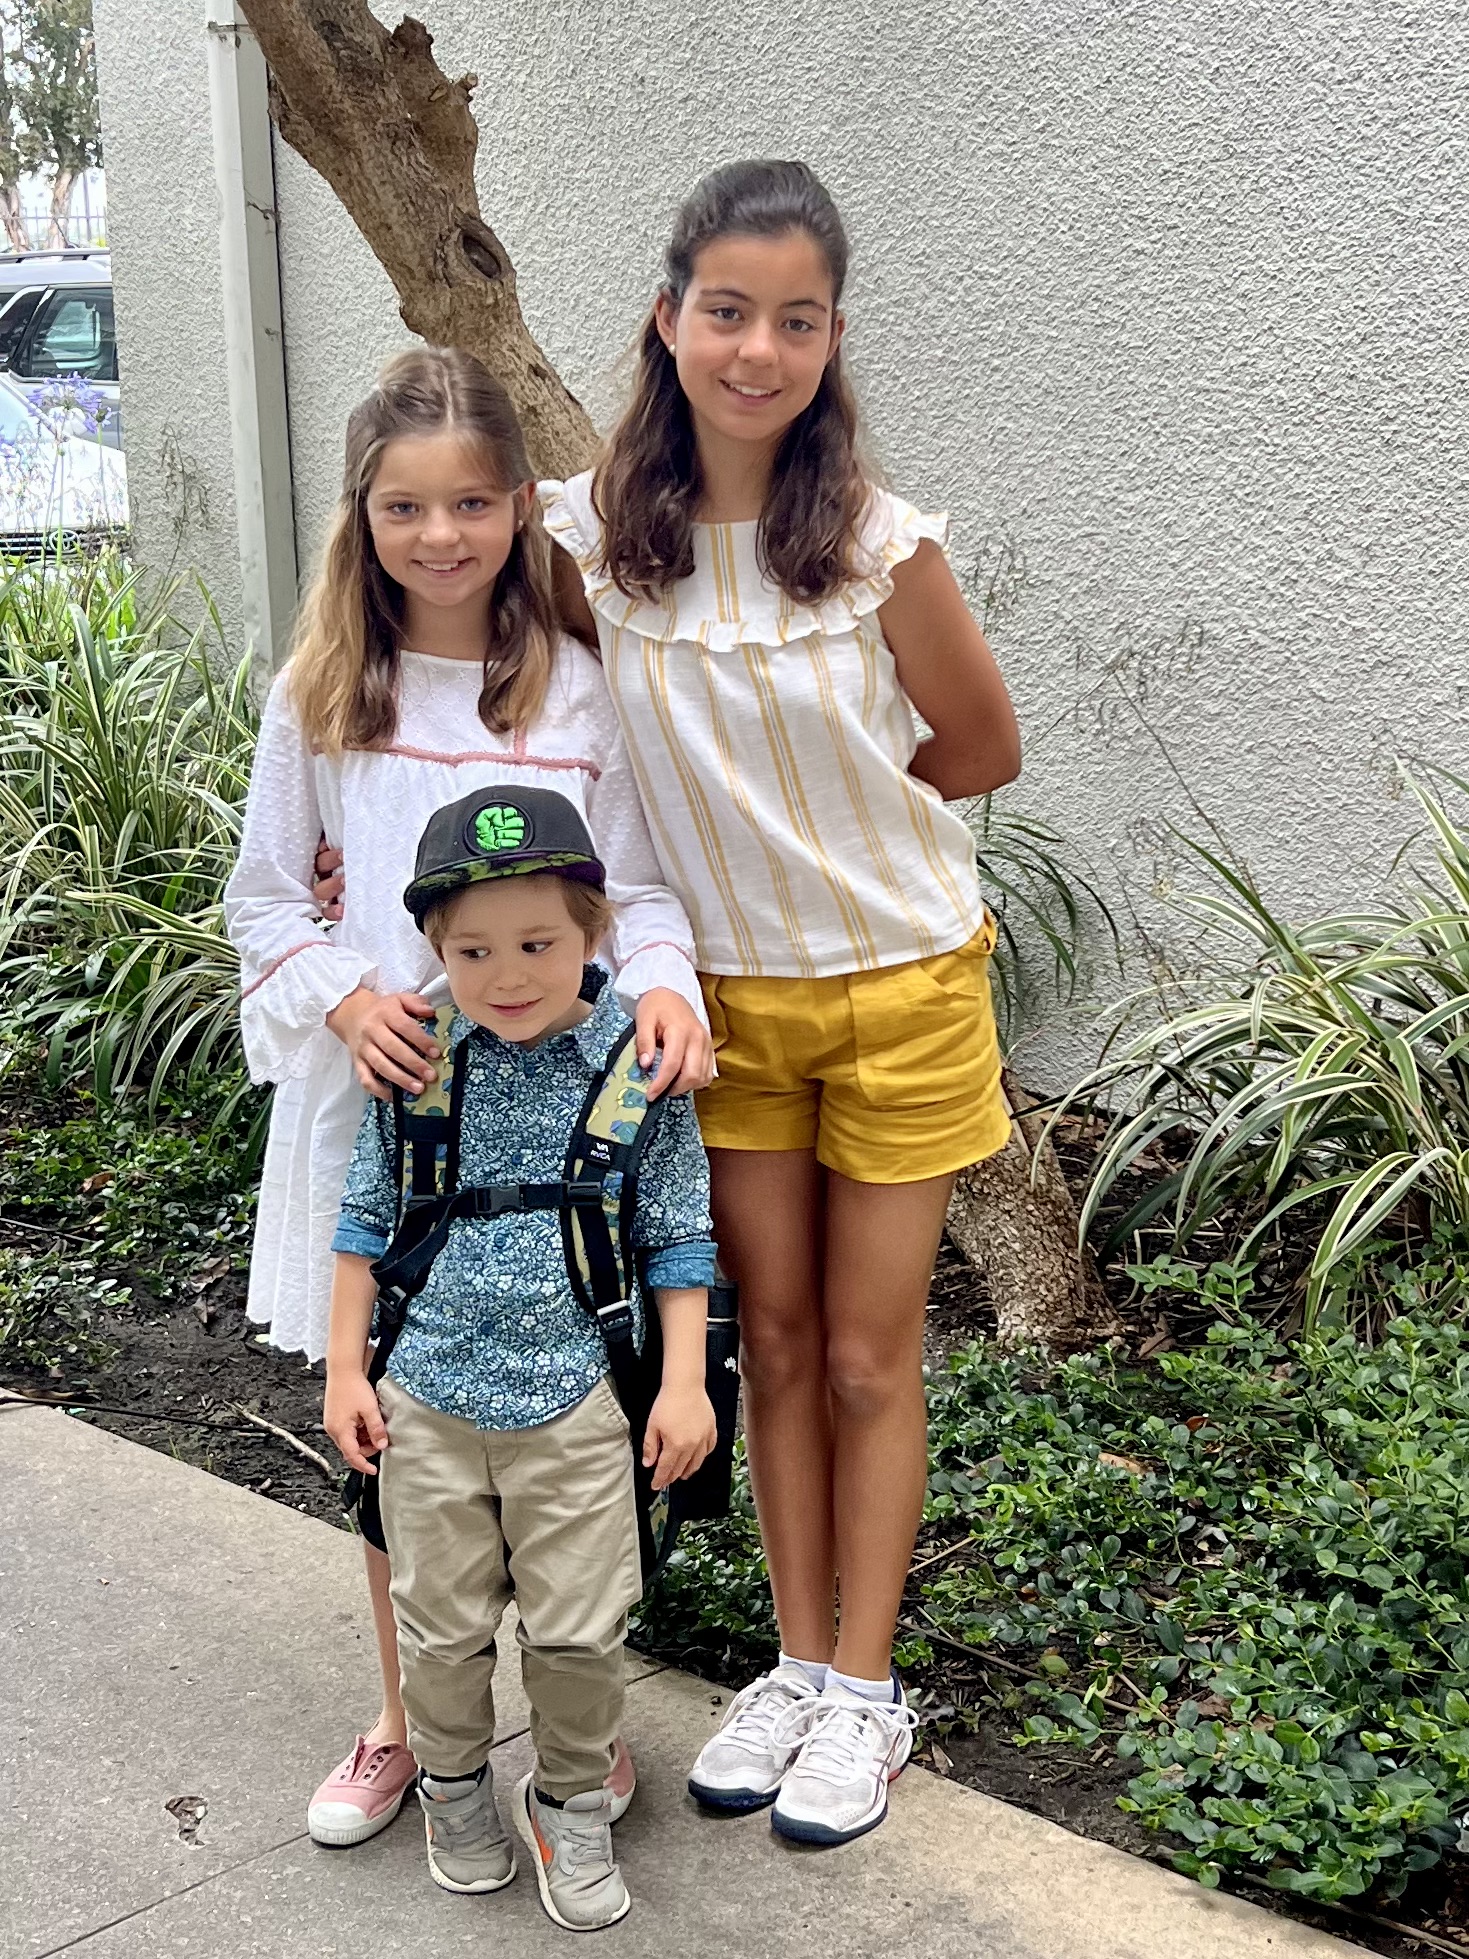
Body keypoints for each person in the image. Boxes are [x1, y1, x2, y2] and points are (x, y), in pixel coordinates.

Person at [541, 158, 1022, 1848]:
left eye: (796, 320)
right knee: (780, 1342)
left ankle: (865, 1689)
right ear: (667, 318)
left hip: (897, 989)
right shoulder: (590, 543)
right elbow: (494, 699)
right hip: (723, 1010)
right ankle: (795, 1662)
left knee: (873, 1354)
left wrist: (836, 831)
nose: (758, 349)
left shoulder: (881, 548)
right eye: (727, 311)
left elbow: (981, 746)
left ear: (829, 338)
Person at [223, 347, 712, 1851]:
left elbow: (635, 886)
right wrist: (345, 994)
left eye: (472, 503)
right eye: (404, 506)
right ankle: (406, 1718)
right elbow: (264, 899)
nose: (439, 535)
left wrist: (665, 986)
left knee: (571, 1431)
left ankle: (575, 1726)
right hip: (397, 1106)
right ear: (360, 516)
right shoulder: (324, 690)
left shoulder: (577, 688)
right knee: (397, 1434)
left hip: (560, 1134)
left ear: (517, 508)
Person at [323, 785, 717, 1930]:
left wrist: (682, 1383)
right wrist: (346, 1372)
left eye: (537, 944)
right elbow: (364, 1223)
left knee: (580, 1634)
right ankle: (451, 1793)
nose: (506, 976)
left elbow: (677, 1234)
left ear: (593, 929)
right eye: (473, 950)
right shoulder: (419, 1055)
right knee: (439, 1633)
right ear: (435, 949)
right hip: (426, 1398)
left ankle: (570, 1803)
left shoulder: (636, 1059)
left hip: (581, 1401)